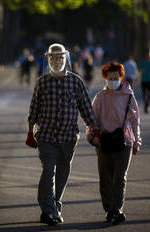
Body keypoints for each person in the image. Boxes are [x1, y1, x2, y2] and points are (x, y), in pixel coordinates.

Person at [26, 43, 99, 226]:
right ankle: (48, 211)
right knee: (48, 170)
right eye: (53, 58)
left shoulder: (75, 81)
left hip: (68, 137)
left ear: (65, 59)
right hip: (46, 137)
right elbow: (33, 110)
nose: (56, 61)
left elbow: (85, 107)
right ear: (48, 59)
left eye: (60, 58)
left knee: (62, 173)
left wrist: (95, 129)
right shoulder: (42, 82)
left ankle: (55, 206)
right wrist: (30, 132)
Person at [88, 62, 141, 225]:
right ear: (105, 78)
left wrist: (137, 141)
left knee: (120, 178)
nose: (113, 80)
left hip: (125, 142)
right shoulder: (100, 97)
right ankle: (109, 209)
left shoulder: (129, 96)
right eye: (110, 78)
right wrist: (92, 136)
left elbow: (135, 120)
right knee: (105, 178)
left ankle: (116, 209)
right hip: (103, 142)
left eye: (116, 77)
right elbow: (92, 120)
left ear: (121, 77)